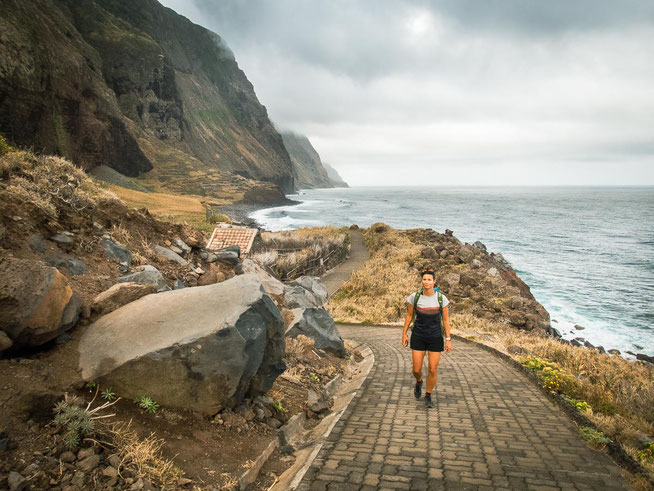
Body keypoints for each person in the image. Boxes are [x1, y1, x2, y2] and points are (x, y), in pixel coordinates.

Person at [401, 268, 452, 408]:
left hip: (435, 337)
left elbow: (446, 321)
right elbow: (409, 316)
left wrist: (448, 339)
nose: (426, 282)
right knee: (416, 370)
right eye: (424, 279)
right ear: (422, 281)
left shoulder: (441, 299)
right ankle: (419, 382)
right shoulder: (415, 297)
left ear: (434, 281)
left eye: (429, 279)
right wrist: (404, 333)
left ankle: (428, 395)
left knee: (432, 369)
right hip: (418, 336)